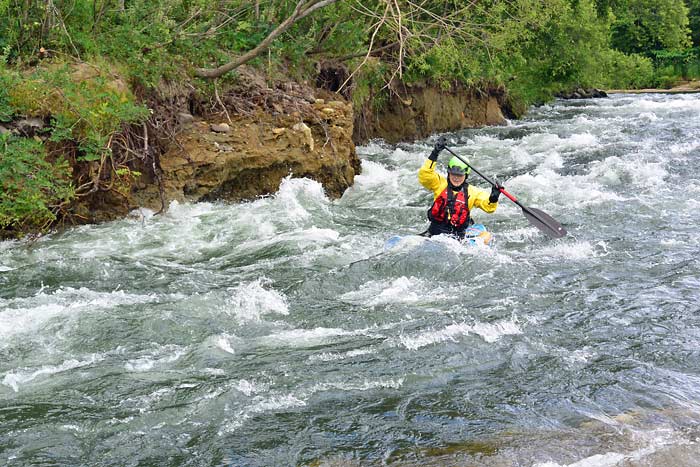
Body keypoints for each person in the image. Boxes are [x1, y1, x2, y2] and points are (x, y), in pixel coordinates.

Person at [418, 136, 502, 239]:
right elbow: (424, 175)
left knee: (486, 236)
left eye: (460, 175)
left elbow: (489, 208)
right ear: (448, 173)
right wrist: (435, 153)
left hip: (458, 236)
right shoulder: (439, 183)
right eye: (453, 174)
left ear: (466, 176)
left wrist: (494, 198)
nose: (456, 178)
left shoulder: (473, 192)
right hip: (435, 231)